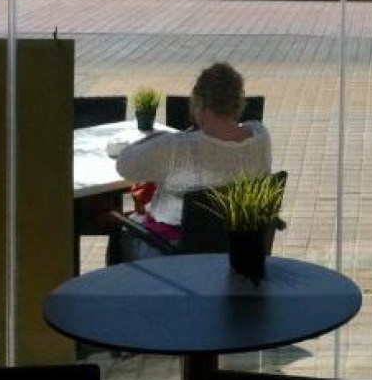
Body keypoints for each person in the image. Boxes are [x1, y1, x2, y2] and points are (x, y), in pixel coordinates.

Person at [114, 62, 272, 259]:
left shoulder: (177, 146)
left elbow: (124, 165)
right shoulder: (261, 138)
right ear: (237, 104)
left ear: (201, 105)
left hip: (172, 255)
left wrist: (156, 137)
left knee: (119, 235)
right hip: (235, 253)